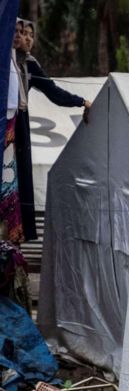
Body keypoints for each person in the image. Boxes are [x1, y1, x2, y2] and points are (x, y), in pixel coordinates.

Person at [13, 18, 90, 242]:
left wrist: (81, 101)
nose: (25, 37)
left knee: (19, 176)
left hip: (19, 123)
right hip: (6, 121)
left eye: (29, 33)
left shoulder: (29, 64)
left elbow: (53, 92)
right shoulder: (5, 59)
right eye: (19, 32)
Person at [1, 22, 25, 244]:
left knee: (9, 181)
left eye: (22, 32)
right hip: (5, 120)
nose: (19, 36)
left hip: (10, 120)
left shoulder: (16, 61)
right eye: (15, 31)